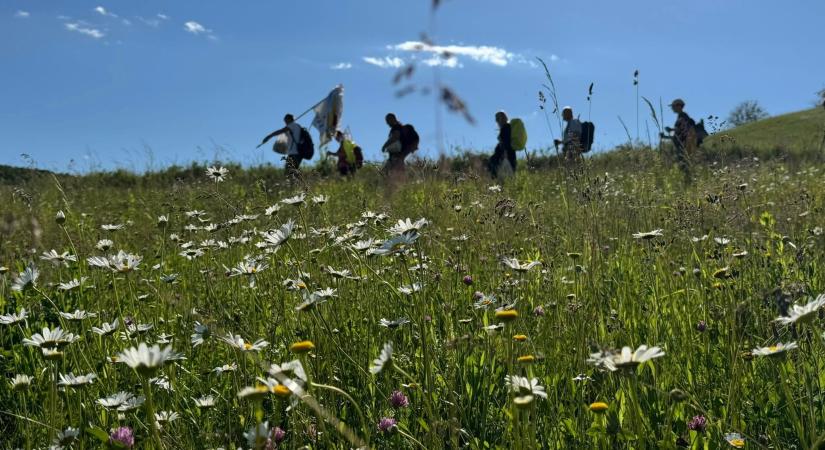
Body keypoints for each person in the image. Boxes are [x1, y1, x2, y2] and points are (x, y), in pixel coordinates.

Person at [661, 98, 697, 170]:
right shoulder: (681, 117)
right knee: (684, 167)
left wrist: (668, 133)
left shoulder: (683, 116)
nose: (672, 108)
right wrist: (668, 133)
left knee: (684, 167)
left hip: (683, 148)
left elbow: (682, 134)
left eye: (673, 106)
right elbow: (678, 134)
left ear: (679, 106)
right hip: (682, 147)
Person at [487, 111, 516, 178]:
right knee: (509, 174)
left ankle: (496, 184)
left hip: (505, 155)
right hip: (508, 154)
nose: (496, 120)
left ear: (501, 118)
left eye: (497, 118)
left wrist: (505, 154)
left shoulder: (506, 128)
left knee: (501, 174)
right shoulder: (507, 127)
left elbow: (506, 141)